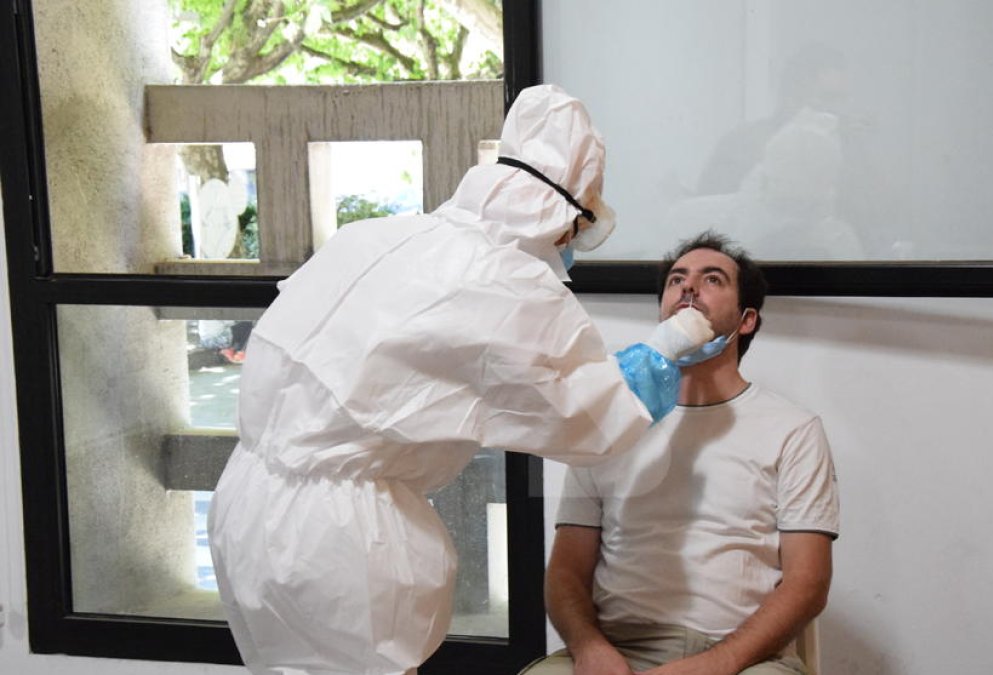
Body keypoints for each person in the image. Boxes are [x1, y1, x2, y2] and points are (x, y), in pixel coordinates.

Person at [207, 84, 716, 675]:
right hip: (338, 538)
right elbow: (588, 413)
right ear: (563, 220)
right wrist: (673, 342)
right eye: (577, 231)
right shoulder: (508, 282)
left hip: (246, 503)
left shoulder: (379, 236)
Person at [522, 232, 840, 675]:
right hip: (616, 648)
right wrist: (589, 647)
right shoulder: (609, 421)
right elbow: (565, 572)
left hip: (742, 657)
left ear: (746, 320)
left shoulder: (793, 430)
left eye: (712, 279)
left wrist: (716, 664)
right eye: (676, 280)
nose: (688, 288)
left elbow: (808, 584)